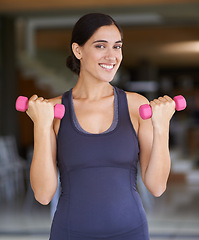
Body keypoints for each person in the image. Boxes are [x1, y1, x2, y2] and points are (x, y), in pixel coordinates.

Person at [26, 13, 175, 240]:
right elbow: (44, 195)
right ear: (78, 51)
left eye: (117, 47)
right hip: (69, 233)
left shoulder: (136, 106)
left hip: (131, 232)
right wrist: (41, 125)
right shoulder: (54, 110)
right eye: (100, 46)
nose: (111, 56)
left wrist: (162, 126)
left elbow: (157, 187)